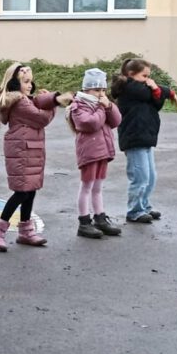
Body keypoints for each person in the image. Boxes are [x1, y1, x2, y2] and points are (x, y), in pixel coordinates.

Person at [0, 62, 71, 250]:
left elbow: (39, 107)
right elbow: (40, 118)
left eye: (31, 82)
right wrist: (54, 105)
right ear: (15, 83)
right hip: (22, 150)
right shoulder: (20, 101)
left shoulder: (26, 99)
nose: (30, 85)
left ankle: (26, 231)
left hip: (30, 148)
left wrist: (48, 99)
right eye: (25, 82)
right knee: (22, 191)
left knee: (30, 189)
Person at [110, 57, 177, 224]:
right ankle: (134, 211)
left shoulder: (142, 89)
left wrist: (159, 92)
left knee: (150, 177)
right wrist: (164, 91)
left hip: (146, 137)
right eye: (145, 76)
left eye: (149, 76)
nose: (148, 80)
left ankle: (144, 206)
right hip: (134, 138)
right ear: (131, 74)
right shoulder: (128, 87)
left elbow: (156, 103)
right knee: (140, 177)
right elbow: (147, 93)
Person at [66, 68, 122, 239]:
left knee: (98, 187)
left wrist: (109, 106)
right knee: (87, 187)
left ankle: (100, 218)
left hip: (103, 151)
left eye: (103, 90)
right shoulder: (78, 105)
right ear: (86, 89)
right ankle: (84, 222)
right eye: (97, 90)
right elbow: (90, 124)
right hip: (89, 153)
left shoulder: (102, 105)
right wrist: (101, 109)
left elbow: (116, 120)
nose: (100, 94)